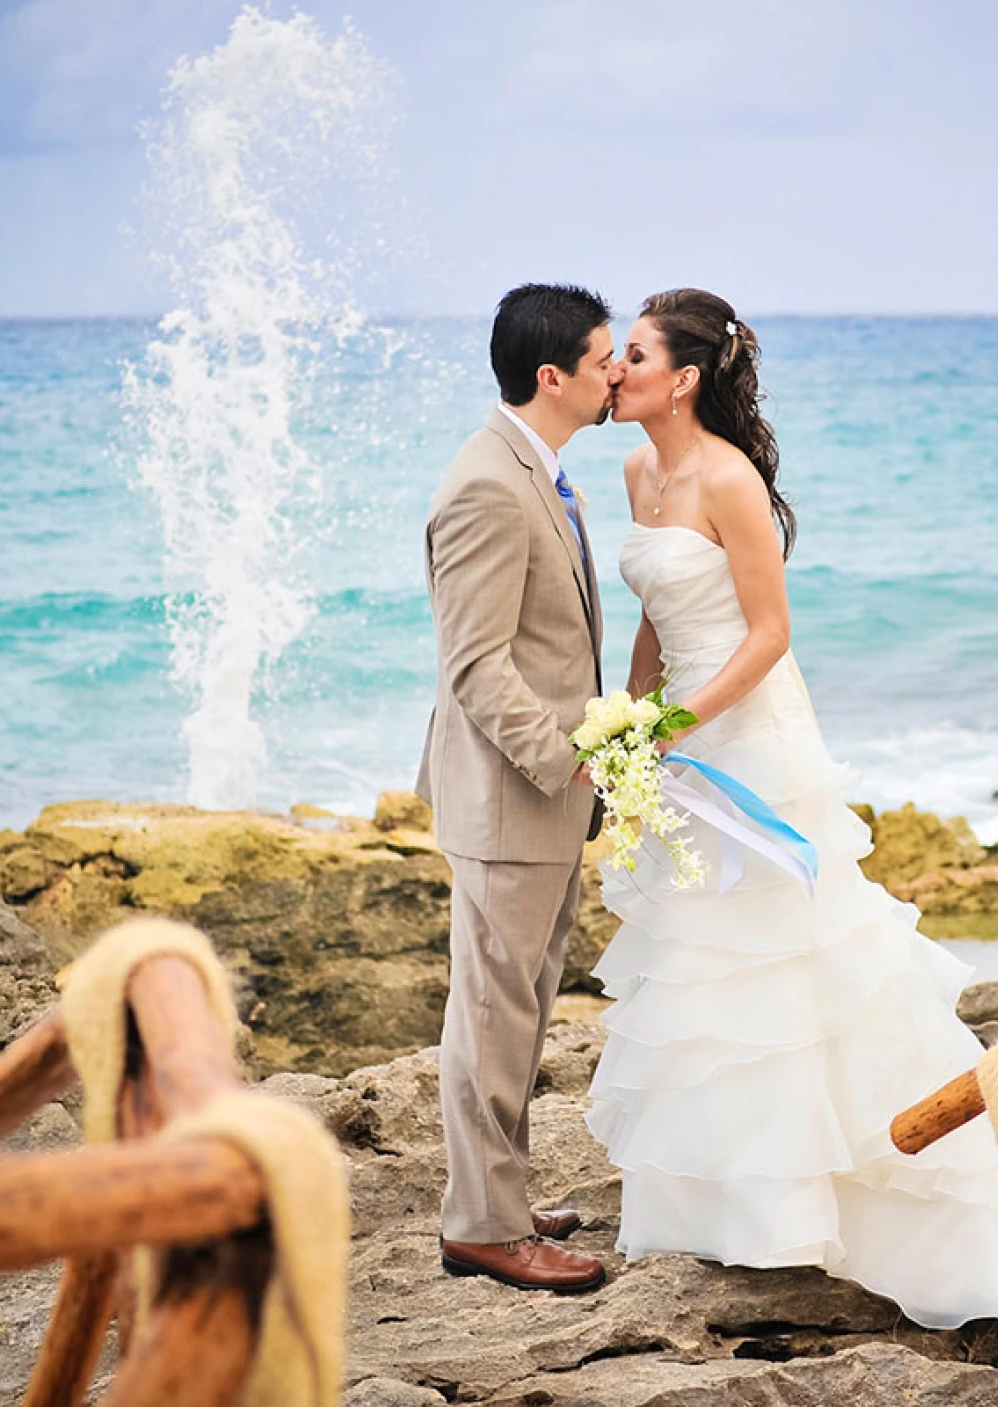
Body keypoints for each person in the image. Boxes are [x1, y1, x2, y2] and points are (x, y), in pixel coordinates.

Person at [585, 287, 998, 1326]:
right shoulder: (633, 469)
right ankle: (726, 1210)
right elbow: (659, 620)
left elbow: (766, 635)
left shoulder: (727, 477)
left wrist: (671, 725)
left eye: (632, 353)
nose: (612, 370)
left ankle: (859, 1195)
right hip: (676, 736)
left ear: (685, 377)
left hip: (752, 738)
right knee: (702, 966)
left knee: (784, 960)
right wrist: (627, 724)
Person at [417, 283, 614, 1293]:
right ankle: (484, 1227)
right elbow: (476, 665)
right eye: (600, 360)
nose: (614, 374)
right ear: (553, 377)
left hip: (539, 798)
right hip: (510, 796)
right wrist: (565, 760)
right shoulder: (488, 486)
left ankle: (495, 1196)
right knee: (494, 1012)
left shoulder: (537, 471)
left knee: (521, 1005)